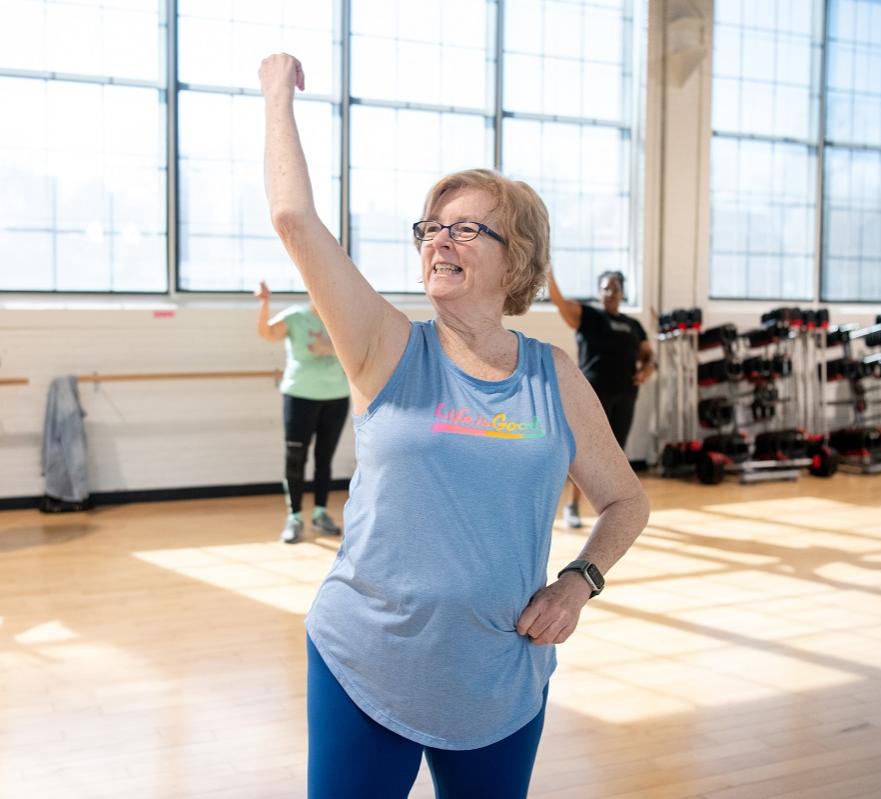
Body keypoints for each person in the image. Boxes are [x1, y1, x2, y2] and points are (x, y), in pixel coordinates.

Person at [260, 53, 649, 799]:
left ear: (519, 260)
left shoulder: (554, 376)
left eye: (466, 228)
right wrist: (277, 89)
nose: (438, 240)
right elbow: (292, 218)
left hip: (497, 673)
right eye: (431, 227)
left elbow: (626, 501)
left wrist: (577, 582)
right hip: (365, 660)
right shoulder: (384, 346)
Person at [547, 268, 655, 528]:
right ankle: (572, 506)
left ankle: (613, 509)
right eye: (605, 288)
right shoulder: (589, 316)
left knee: (616, 454)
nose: (610, 293)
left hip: (625, 395)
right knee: (583, 454)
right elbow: (559, 303)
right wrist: (549, 274)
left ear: (622, 293)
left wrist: (646, 370)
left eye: (615, 289)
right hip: (592, 396)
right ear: (599, 292)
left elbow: (649, 355)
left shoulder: (633, 326)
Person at [256, 279, 350, 544]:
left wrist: (329, 348)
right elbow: (266, 333)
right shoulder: (296, 317)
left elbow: (356, 351)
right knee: (295, 458)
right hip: (299, 396)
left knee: (324, 459)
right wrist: (264, 303)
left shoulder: (342, 319)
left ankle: (320, 513)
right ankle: (294, 517)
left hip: (336, 396)